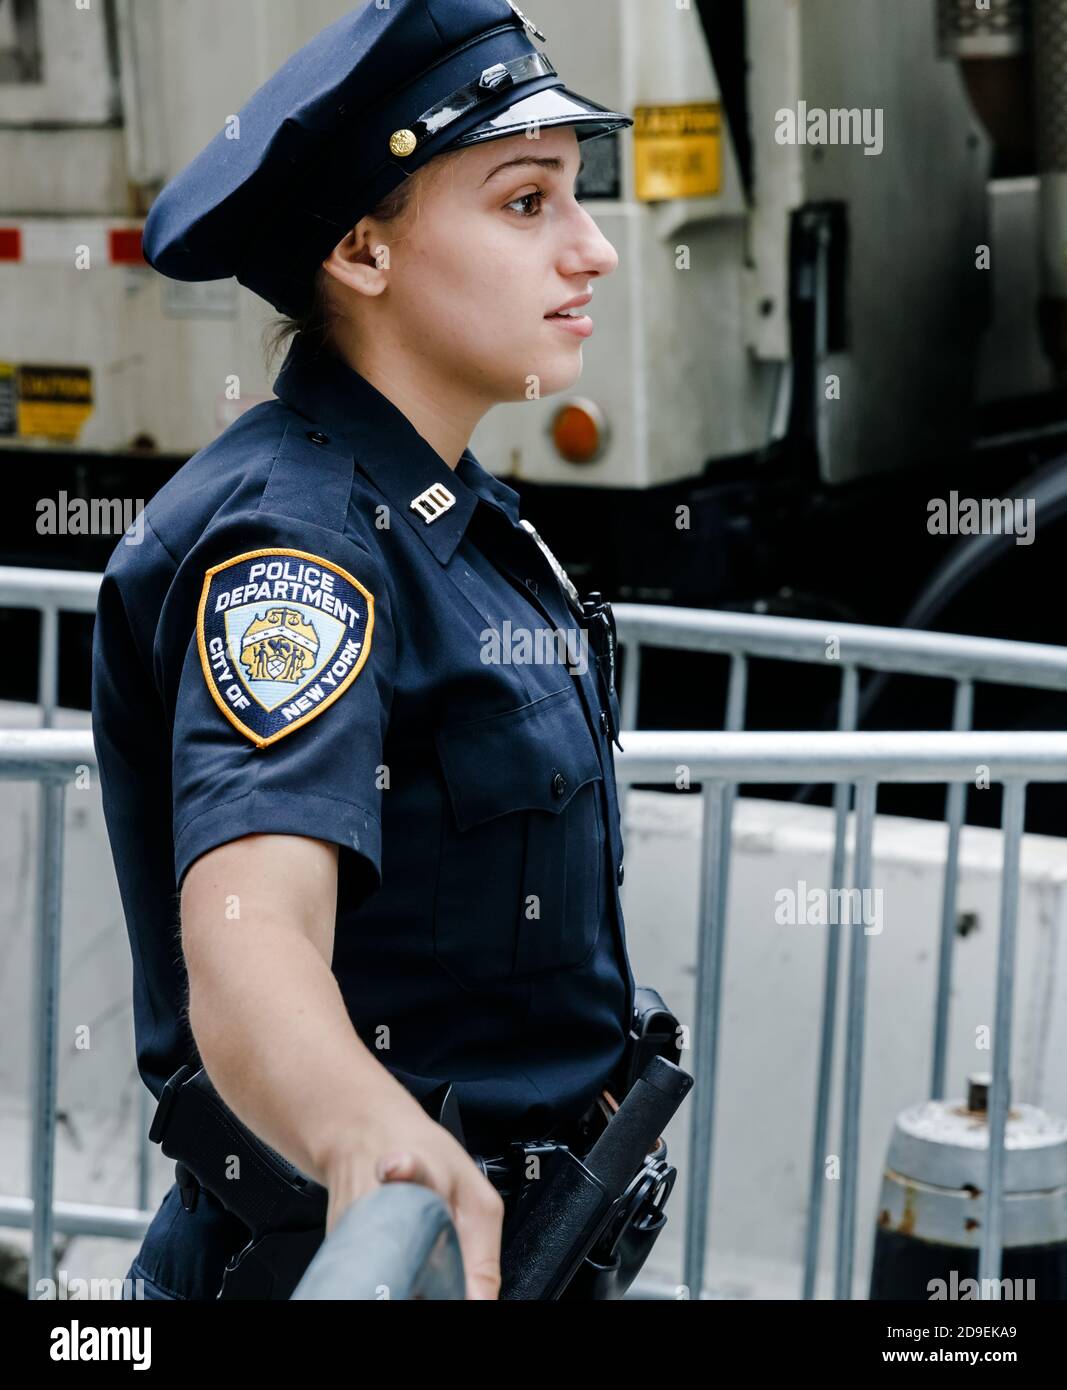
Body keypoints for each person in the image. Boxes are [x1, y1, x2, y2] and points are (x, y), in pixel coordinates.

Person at [92, 0, 637, 1301]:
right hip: (352, 1265)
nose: (598, 249)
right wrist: (363, 1127)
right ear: (362, 251)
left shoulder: (445, 506)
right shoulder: (301, 546)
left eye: (580, 195)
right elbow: (250, 919)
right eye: (525, 202)